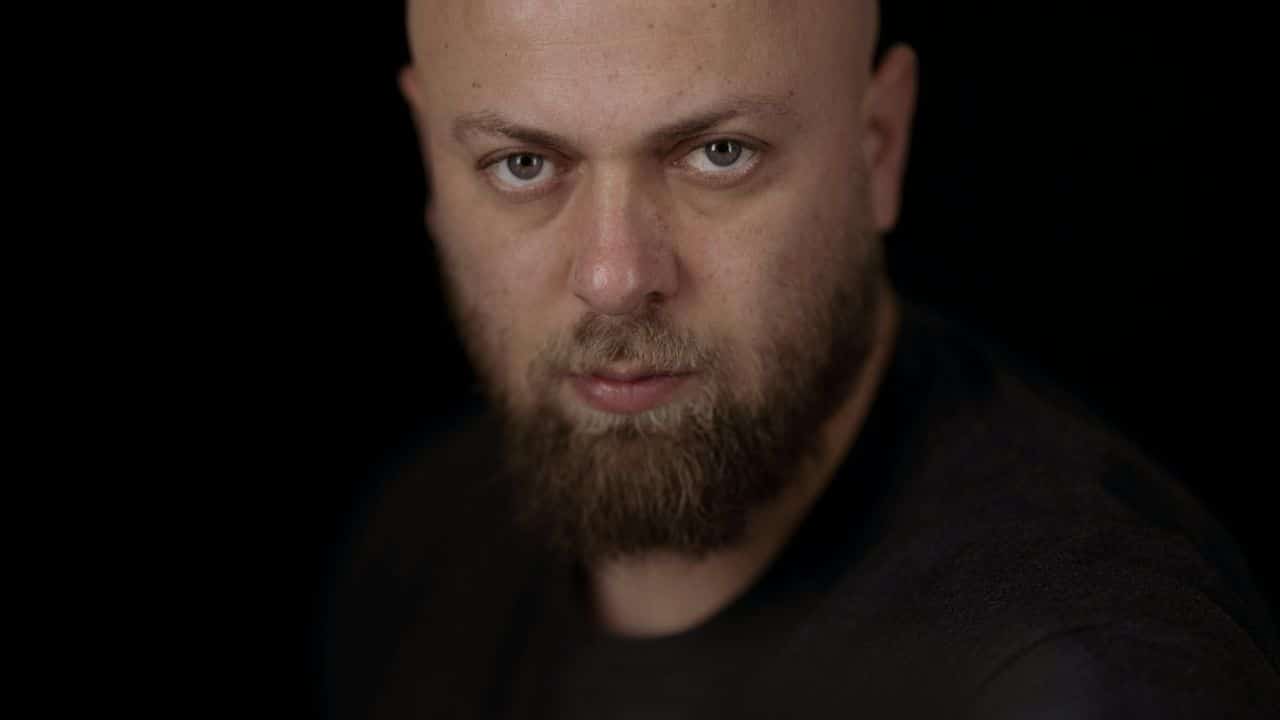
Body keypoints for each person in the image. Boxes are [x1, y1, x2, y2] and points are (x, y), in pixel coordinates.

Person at [321, 1, 1280, 717]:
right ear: (429, 156)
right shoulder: (413, 546)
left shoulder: (1083, 674)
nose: (614, 277)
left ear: (878, 147)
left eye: (720, 153)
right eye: (522, 165)